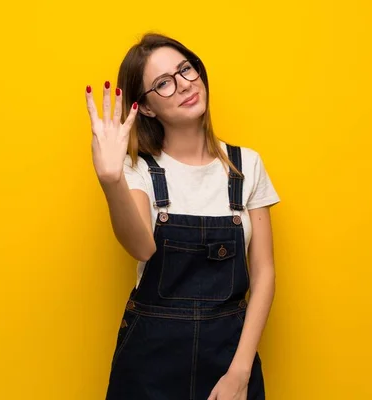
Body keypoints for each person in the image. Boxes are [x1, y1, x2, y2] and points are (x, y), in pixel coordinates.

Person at [84, 32, 280, 400]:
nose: (185, 85)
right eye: (163, 83)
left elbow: (265, 274)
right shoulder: (136, 170)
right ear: (147, 107)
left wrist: (240, 372)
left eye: (186, 70)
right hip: (149, 365)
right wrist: (111, 182)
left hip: (229, 358)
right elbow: (142, 247)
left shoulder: (247, 166)